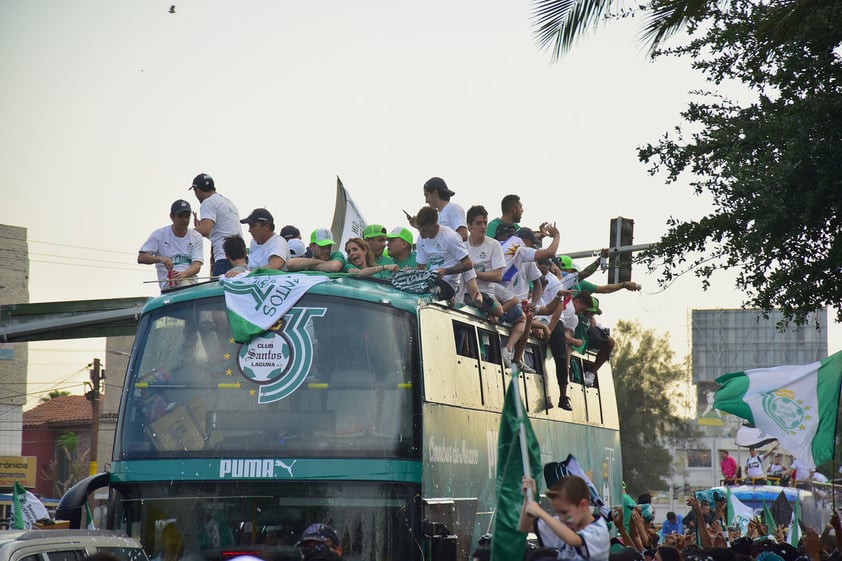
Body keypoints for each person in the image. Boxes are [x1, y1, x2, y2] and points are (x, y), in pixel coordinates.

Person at [465, 205, 526, 367]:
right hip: (465, 294)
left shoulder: (493, 245)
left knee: (515, 315)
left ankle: (508, 351)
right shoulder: (462, 245)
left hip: (487, 293)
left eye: (485, 222)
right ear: (469, 226)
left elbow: (497, 276)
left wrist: (472, 273)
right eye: (478, 223)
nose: (483, 227)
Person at [519, 474, 610, 561]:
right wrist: (528, 498)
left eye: (564, 512)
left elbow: (574, 540)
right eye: (557, 512)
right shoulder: (565, 522)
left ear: (583, 505)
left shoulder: (599, 530)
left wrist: (541, 513)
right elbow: (525, 527)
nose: (561, 518)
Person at [414, 206, 481, 304]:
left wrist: (445, 271)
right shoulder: (421, 238)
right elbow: (421, 267)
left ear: (435, 227)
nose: (421, 234)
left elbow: (468, 264)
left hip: (448, 283)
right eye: (419, 229)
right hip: (431, 280)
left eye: (425, 231)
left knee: (429, 293)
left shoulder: (450, 237)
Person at [138, 199, 204, 291]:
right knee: (183, 285)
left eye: (187, 216)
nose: (184, 220)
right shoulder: (160, 234)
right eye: (180, 216)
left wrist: (182, 275)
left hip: (191, 282)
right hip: (168, 283)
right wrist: (160, 259)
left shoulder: (196, 236)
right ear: (172, 217)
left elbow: (197, 266)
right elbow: (141, 257)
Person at [189, 173, 242, 276]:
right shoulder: (227, 202)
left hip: (224, 259)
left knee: (217, 290)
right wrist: (201, 228)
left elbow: (205, 230)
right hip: (240, 260)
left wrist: (187, 232)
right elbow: (222, 233)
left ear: (197, 190)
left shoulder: (208, 202)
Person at [234, 208, 289, 273]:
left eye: (253, 226)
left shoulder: (278, 242)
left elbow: (274, 266)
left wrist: (246, 274)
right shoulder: (253, 242)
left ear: (266, 226)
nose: (249, 230)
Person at [412, 176, 468, 241]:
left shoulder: (453, 208)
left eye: (427, 195)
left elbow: (463, 235)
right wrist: (419, 227)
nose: (426, 201)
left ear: (435, 193)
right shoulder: (437, 216)